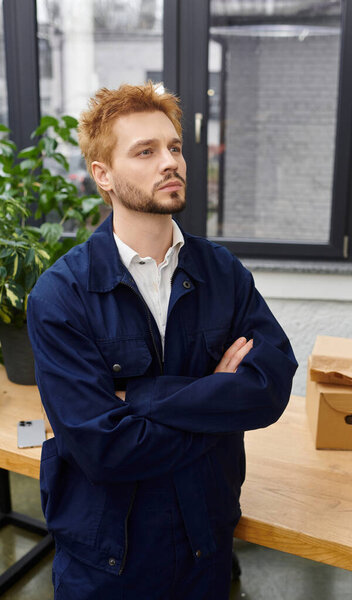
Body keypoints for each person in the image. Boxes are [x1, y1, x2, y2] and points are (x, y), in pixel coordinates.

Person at [27, 82, 298, 600]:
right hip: (109, 560)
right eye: (145, 152)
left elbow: (268, 386)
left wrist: (143, 398)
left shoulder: (222, 271)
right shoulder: (62, 295)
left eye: (173, 148)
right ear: (102, 175)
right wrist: (215, 398)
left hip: (206, 544)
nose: (169, 162)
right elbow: (104, 449)